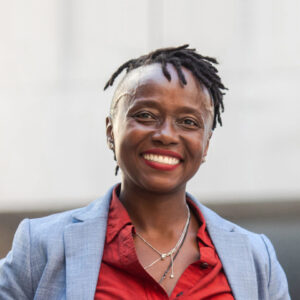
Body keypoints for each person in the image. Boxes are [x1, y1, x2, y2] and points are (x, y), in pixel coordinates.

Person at [0, 45, 290, 300]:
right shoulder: (40, 247)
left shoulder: (255, 257)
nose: (165, 135)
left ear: (205, 145)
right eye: (146, 115)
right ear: (111, 132)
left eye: (188, 122)